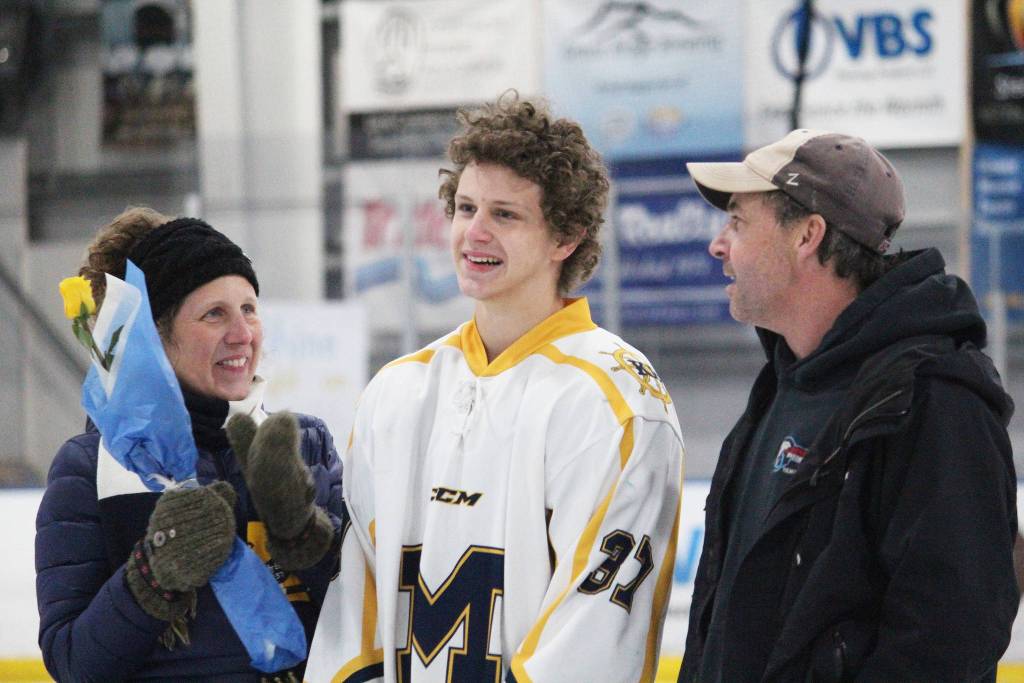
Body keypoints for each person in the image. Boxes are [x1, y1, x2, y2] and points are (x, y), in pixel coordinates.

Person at [305, 93, 685, 682]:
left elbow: (592, 638)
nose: (473, 233)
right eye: (464, 208)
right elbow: (355, 615)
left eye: (505, 215)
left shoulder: (612, 398)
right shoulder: (397, 392)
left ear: (566, 239)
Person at [679, 129, 1019, 681]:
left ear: (808, 235)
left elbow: (947, 640)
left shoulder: (933, 401)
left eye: (739, 223)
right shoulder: (783, 385)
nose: (719, 245)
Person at [35, 208, 344, 682]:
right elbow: (73, 663)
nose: (242, 334)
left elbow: (365, 616)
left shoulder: (303, 446)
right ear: (154, 336)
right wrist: (152, 576)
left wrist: (306, 536)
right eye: (214, 313)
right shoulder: (94, 468)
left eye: (249, 308)